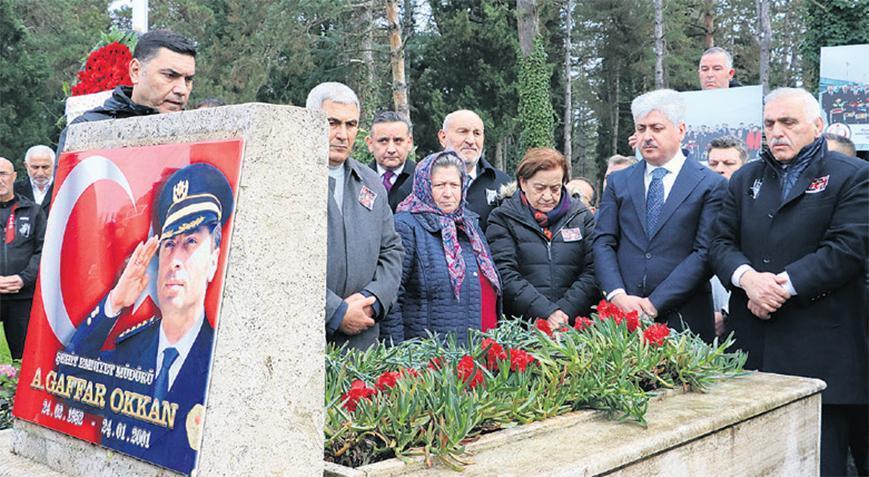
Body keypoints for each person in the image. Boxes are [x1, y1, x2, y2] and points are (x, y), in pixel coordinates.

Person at [710, 87, 868, 476]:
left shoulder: (852, 176)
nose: (777, 131)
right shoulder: (745, 178)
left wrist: (780, 287)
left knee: (820, 465)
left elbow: (847, 249)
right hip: (753, 352)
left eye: (788, 122)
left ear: (817, 126)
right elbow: (719, 242)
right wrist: (747, 279)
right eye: (769, 124)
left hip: (822, 357)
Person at [64, 163, 233, 473]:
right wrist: (114, 303)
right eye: (168, 245)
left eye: (191, 242)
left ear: (214, 258)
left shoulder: (223, 357)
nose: (176, 261)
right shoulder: (132, 347)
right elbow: (69, 382)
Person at [594, 89, 726, 343]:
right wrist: (617, 295)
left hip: (685, 318)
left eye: (656, 128)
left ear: (680, 129)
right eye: (641, 128)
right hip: (623, 319)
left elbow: (704, 253)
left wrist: (653, 304)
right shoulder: (618, 181)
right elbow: (603, 242)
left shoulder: (710, 184)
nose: (647, 137)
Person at [306, 82, 403, 350]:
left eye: (351, 125)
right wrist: (335, 312)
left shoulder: (370, 182)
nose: (342, 134)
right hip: (308, 344)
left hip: (362, 341)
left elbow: (392, 251)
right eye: (332, 123)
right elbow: (281, 263)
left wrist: (373, 300)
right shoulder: (290, 180)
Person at [381, 152, 501, 345]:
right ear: (424, 187)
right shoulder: (406, 226)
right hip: (429, 359)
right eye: (439, 185)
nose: (448, 193)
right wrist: (398, 356)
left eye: (454, 185)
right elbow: (392, 299)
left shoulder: (469, 226)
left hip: (476, 352)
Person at [487, 148, 596, 327]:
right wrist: (546, 312)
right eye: (539, 188)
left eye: (555, 188)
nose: (547, 196)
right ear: (523, 182)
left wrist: (564, 312)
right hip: (523, 325)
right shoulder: (503, 218)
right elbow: (504, 273)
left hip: (574, 324)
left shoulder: (581, 217)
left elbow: (592, 271)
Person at [57, 29, 197, 152]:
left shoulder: (197, 133)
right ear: (136, 71)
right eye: (170, 76)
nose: (182, 90)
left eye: (188, 80)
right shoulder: (85, 131)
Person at [0, 157, 46, 360]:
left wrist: (23, 278)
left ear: (14, 177)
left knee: (23, 357)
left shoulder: (33, 211)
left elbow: (42, 250)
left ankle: (16, 391)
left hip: (22, 295)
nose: (0, 179)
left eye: (3, 174)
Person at [437, 109, 510, 231]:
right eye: (462, 132)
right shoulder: (420, 183)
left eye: (477, 134)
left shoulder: (503, 184)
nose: (470, 141)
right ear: (443, 137)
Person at [705, 136, 749, 337]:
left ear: (744, 167)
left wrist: (726, 312)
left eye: (728, 163)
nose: (719, 169)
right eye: (713, 163)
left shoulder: (754, 209)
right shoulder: (695, 205)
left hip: (741, 312)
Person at [366, 111, 416, 212]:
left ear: (409, 142)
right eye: (383, 141)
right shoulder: (359, 179)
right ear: (370, 143)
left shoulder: (421, 179)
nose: (391, 150)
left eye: (398, 141)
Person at [14, 145, 56, 215]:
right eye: (35, 167)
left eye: (45, 167)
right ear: (26, 166)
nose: (40, 173)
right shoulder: (14, 190)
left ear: (54, 165)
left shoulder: (63, 190)